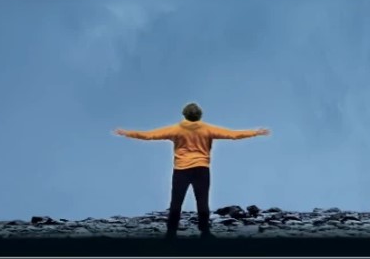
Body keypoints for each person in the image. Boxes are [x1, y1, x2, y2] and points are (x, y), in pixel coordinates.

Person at [114, 102, 270, 238]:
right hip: (202, 169)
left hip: (181, 170)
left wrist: (127, 133)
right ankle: (205, 232)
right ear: (200, 116)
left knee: (176, 203)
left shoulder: (176, 130)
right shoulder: (208, 129)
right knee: (202, 202)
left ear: (184, 115)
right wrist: (255, 132)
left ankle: (171, 233)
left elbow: (149, 135)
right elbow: (233, 135)